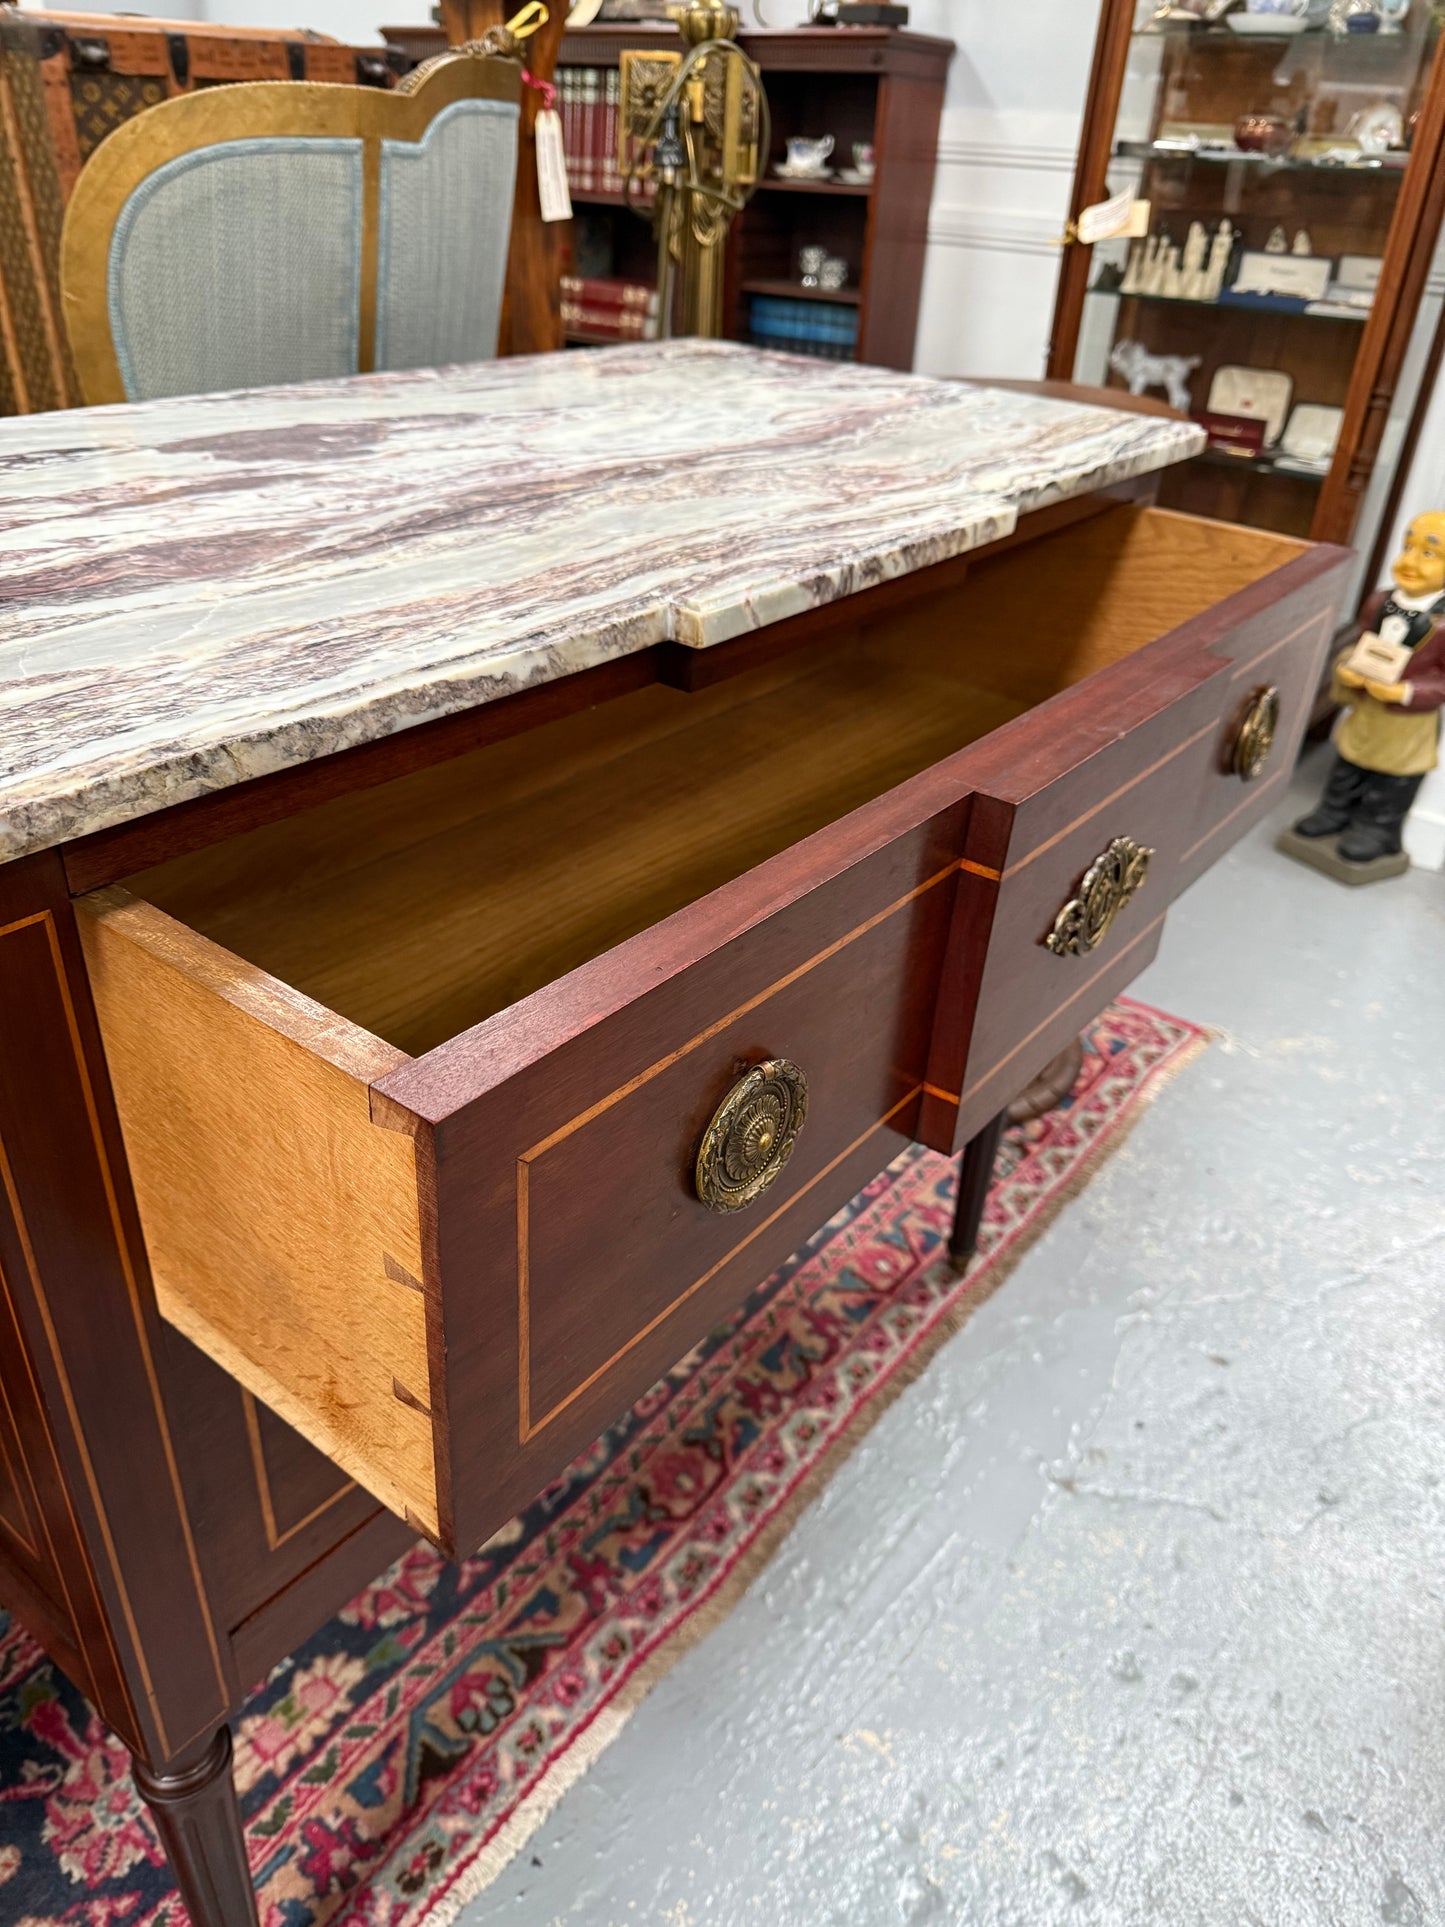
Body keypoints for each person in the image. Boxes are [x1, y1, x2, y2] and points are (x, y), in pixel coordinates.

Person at [1291, 511, 1445, 865]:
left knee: (1394, 777)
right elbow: (1360, 642)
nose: (1409, 561)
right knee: (1349, 761)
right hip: (1366, 709)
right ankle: (1334, 810)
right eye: (1408, 547)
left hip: (1407, 723)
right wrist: (1347, 669)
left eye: (1428, 554)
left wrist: (1405, 692)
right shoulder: (1379, 602)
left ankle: (1377, 828)